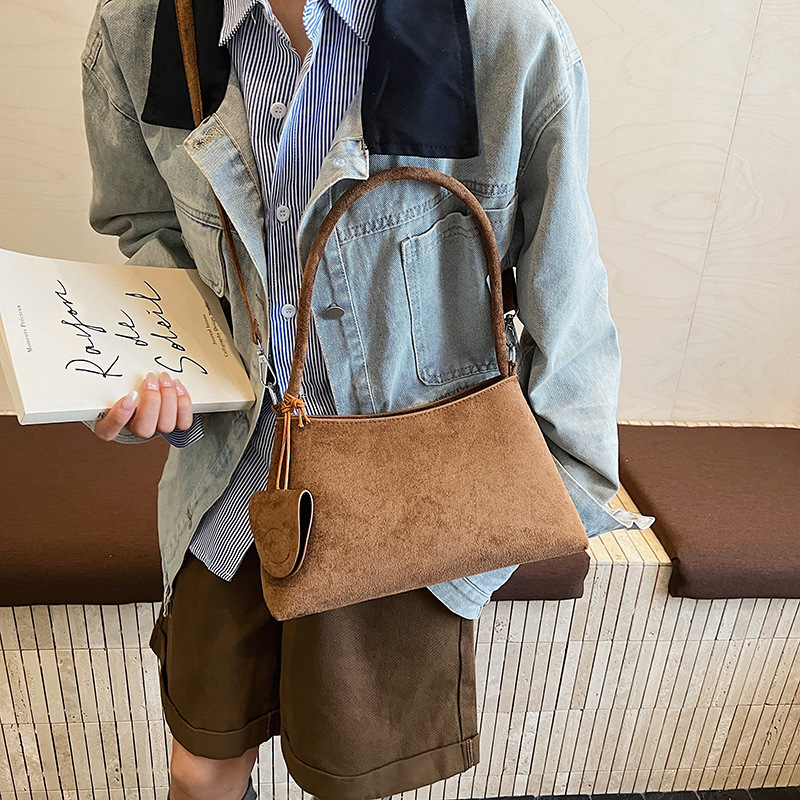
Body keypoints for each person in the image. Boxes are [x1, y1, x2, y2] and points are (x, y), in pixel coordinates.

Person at [81, 0, 652, 798]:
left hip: (405, 499)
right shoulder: (142, 27)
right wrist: (148, 367)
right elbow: (150, 231)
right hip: (231, 475)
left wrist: (534, 508)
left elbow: (566, 288)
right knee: (199, 769)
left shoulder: (502, 35)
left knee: (354, 779)